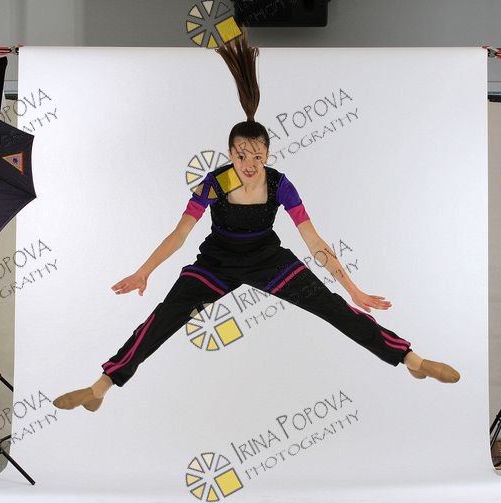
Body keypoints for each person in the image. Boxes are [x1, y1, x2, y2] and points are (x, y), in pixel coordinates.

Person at [54, 31, 459, 413]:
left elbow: (314, 241)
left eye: (257, 155)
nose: (249, 164)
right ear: (230, 153)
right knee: (164, 317)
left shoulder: (280, 184)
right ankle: (100, 388)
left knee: (333, 309)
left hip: (269, 261)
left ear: (267, 153)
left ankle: (412, 359)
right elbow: (180, 233)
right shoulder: (217, 182)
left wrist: (353, 289)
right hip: (216, 263)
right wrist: (145, 271)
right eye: (241, 155)